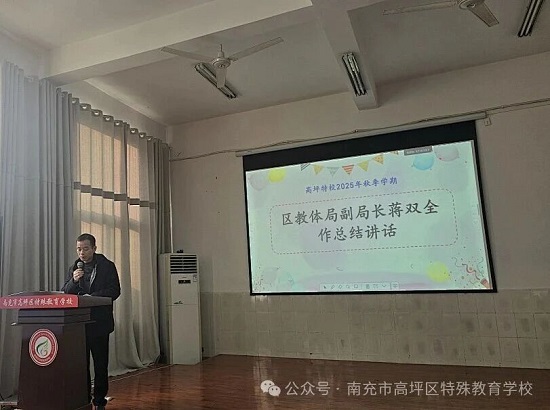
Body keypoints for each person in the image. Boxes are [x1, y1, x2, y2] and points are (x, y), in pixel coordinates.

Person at [62, 233, 121, 410]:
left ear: (94, 248)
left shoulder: (107, 266)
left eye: (85, 249)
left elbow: (115, 290)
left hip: (100, 323)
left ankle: (100, 401)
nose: (82, 252)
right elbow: (65, 292)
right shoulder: (74, 267)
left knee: (100, 364)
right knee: (82, 365)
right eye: (79, 249)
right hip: (79, 324)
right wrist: (73, 281)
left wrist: (92, 298)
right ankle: (84, 398)